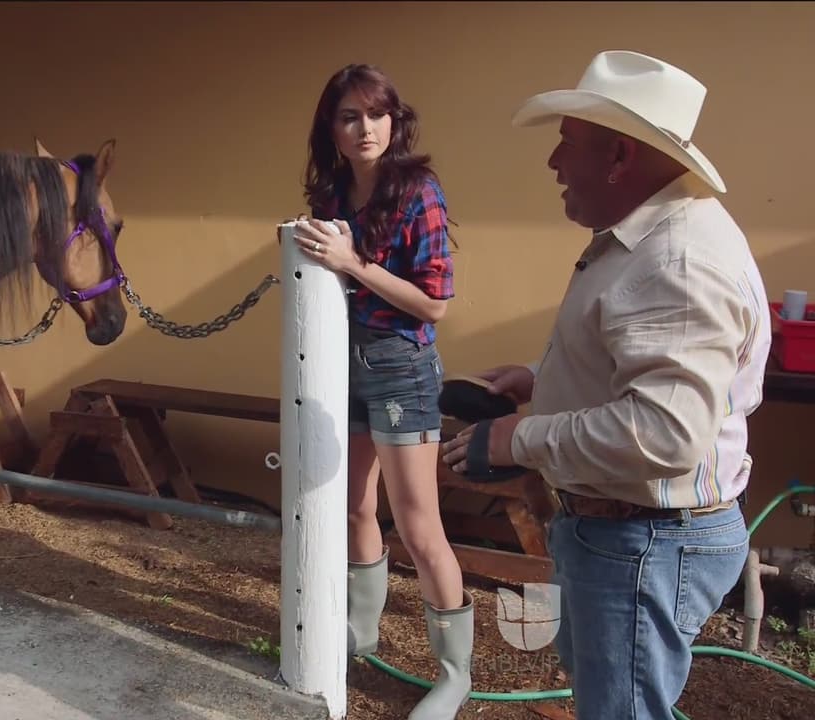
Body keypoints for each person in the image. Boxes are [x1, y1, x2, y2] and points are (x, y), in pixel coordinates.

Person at [441, 50, 770, 720]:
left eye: (566, 145)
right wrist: (544, 377)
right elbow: (648, 366)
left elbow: (664, 434)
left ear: (619, 157)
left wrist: (518, 439)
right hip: (633, 534)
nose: (553, 164)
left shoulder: (675, 263)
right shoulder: (652, 241)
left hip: (644, 540)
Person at [289, 63, 470, 720]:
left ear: (394, 121)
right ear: (331, 130)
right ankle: (359, 635)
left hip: (401, 368)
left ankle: (454, 674)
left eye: (375, 114)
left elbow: (435, 305)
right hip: (345, 364)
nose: (364, 128)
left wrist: (350, 265)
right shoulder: (336, 194)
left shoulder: (418, 191)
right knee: (355, 509)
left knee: (420, 527)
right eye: (348, 116)